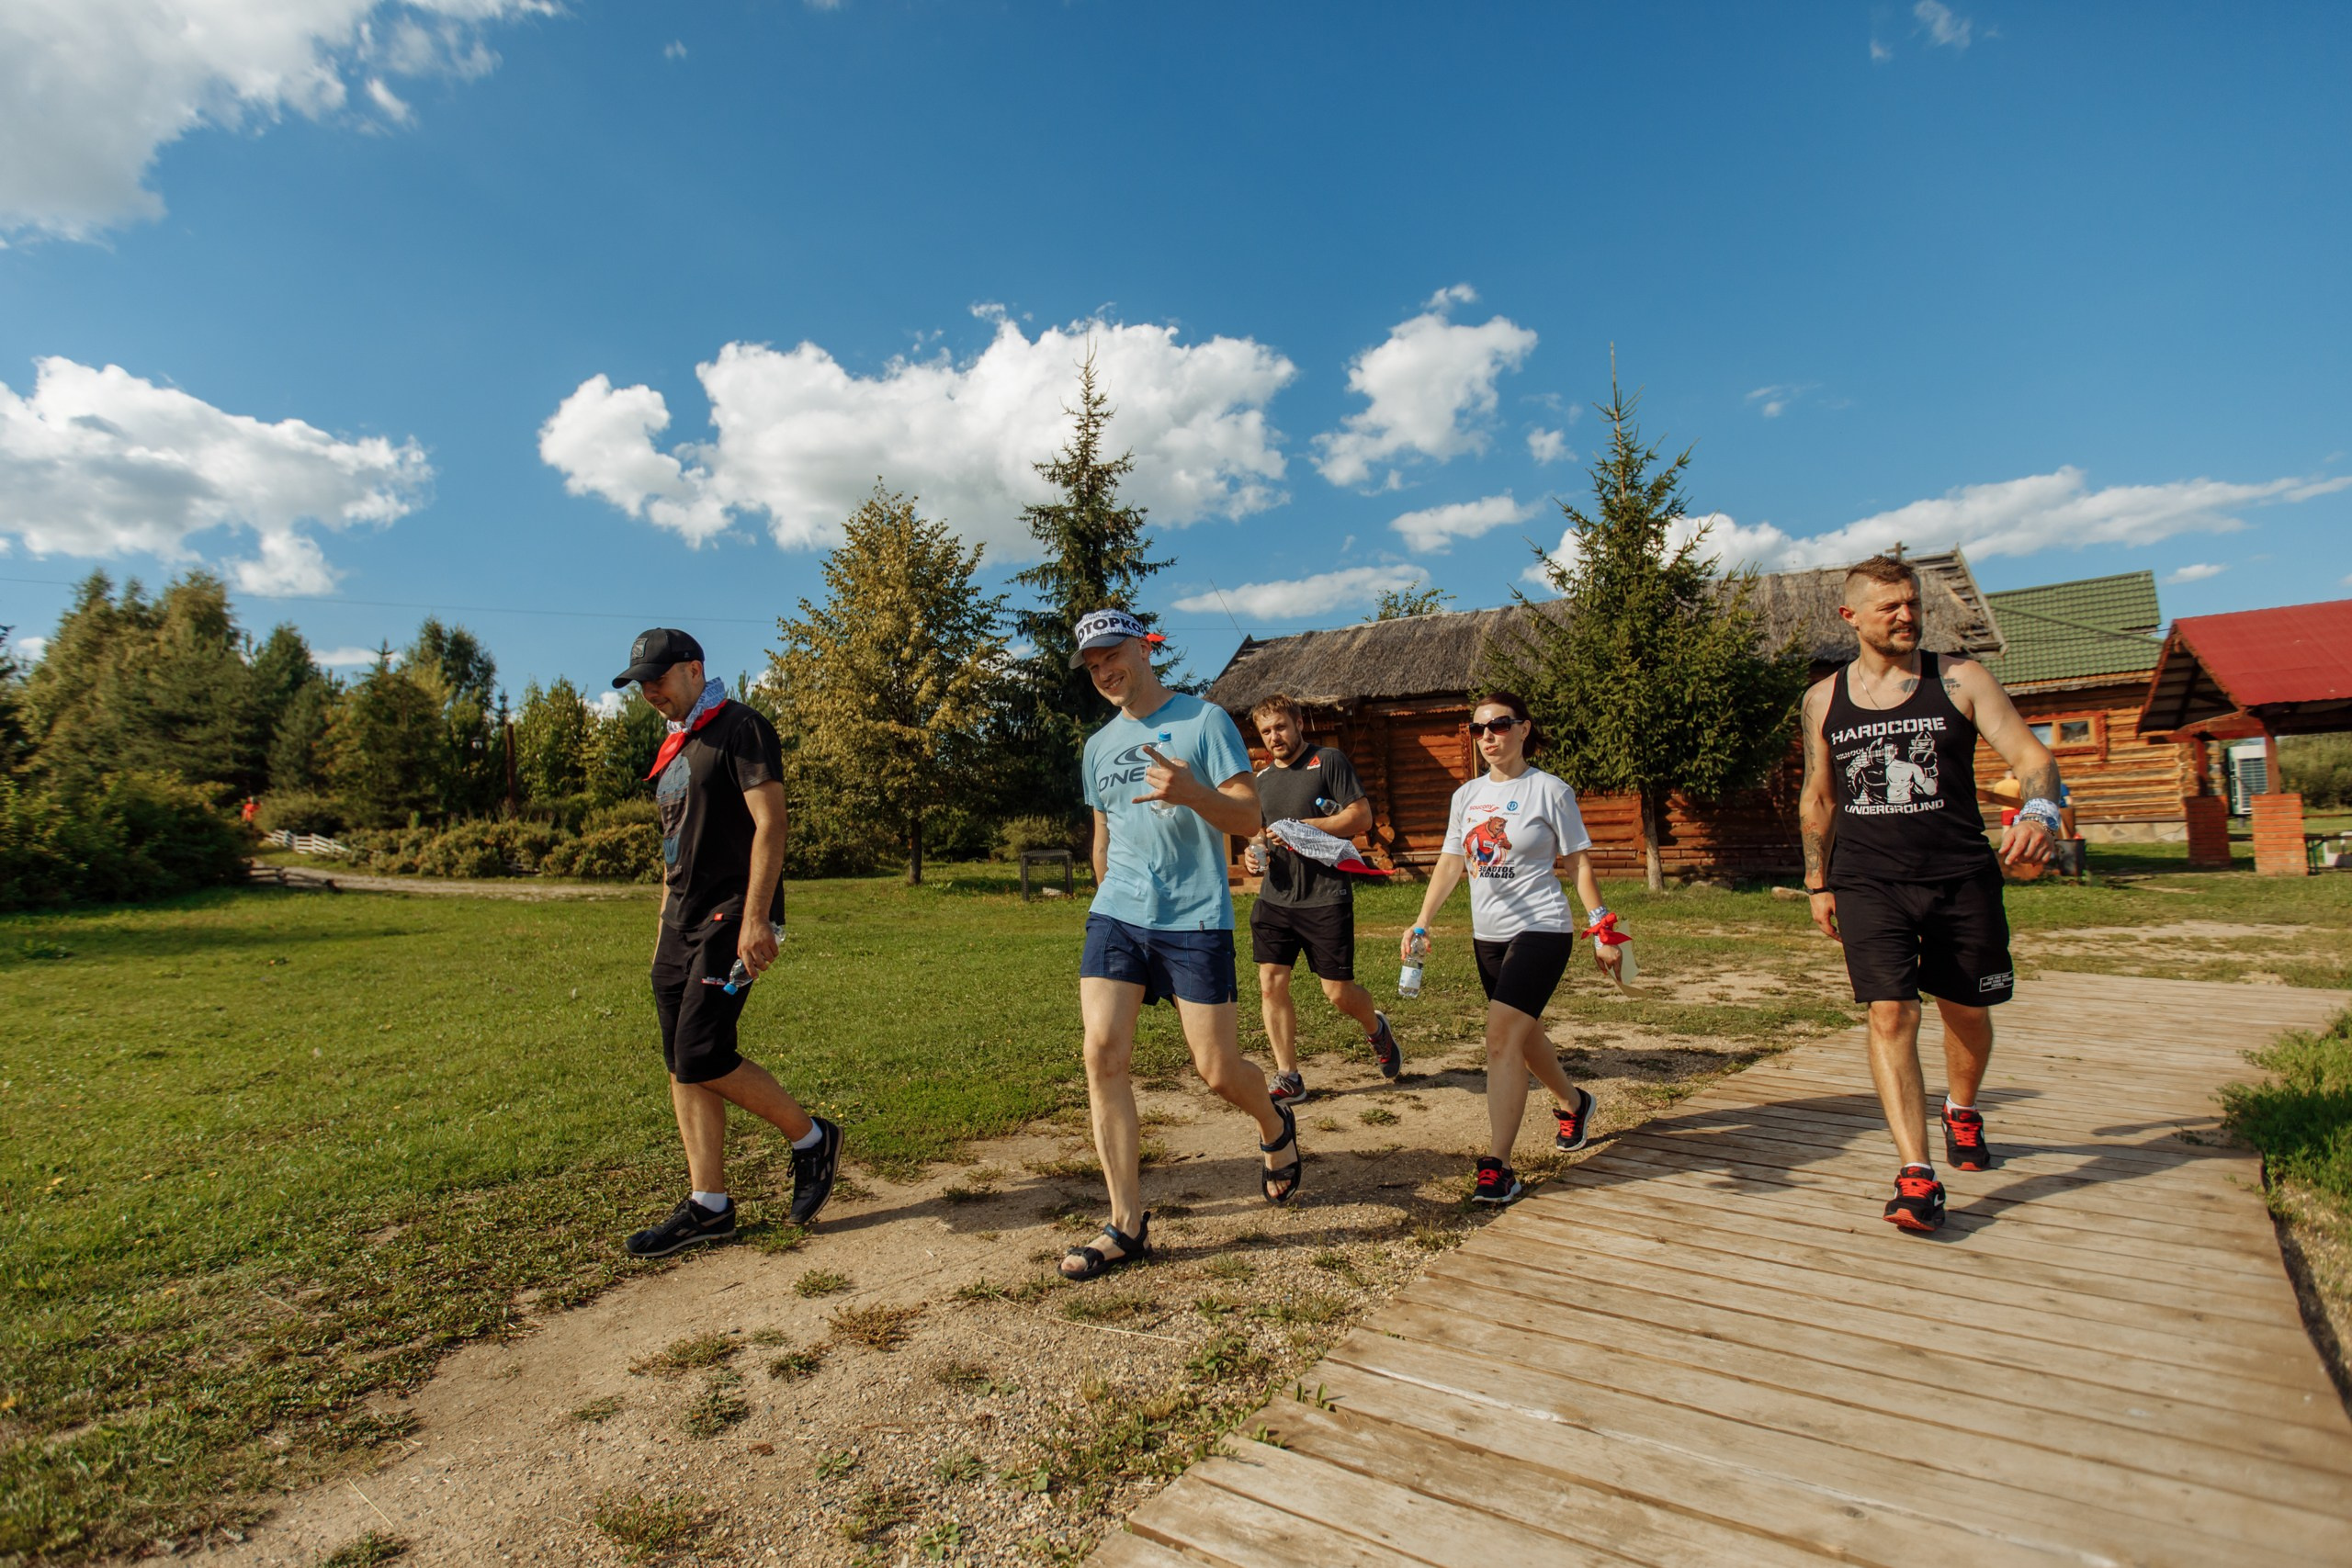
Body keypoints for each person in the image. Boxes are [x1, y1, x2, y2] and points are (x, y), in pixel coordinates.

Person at [1799, 556, 2060, 1234]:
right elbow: (1820, 795)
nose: (1906, 615)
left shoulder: (1960, 678)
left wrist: (2041, 815)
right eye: (1890, 606)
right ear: (1850, 616)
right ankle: (1916, 1172)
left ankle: (1962, 1109)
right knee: (1891, 1013)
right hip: (1867, 880)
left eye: (1911, 603)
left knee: (1966, 1011)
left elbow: (2033, 759)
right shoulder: (1824, 698)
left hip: (1959, 876)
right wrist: (1817, 879)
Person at [1061, 609, 1303, 1280]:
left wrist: (1192, 791)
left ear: (1143, 646)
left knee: (1218, 1070)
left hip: (1195, 918)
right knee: (1101, 1053)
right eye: (1092, 664)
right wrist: (1108, 900)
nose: (1105, 671)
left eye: (1113, 654)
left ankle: (1275, 1125)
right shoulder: (1098, 746)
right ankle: (1126, 1223)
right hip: (1117, 917)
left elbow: (1249, 816)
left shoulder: (1205, 721)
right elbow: (1103, 838)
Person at [612, 628, 844, 1258]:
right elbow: (673, 846)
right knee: (680, 1061)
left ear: (694, 669)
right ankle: (708, 1205)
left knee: (702, 1050)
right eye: (641, 685)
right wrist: (663, 924)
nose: (651, 692)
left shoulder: (742, 728)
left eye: (659, 679)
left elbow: (771, 823)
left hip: (734, 913)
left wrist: (758, 918)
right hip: (680, 922)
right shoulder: (675, 747)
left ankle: (811, 1137)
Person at [1400, 692, 1622, 1206]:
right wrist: (1422, 920)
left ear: (1524, 729)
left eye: (1499, 725)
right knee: (1523, 1038)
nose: (1488, 737)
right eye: (1478, 729)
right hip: (1488, 936)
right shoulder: (1467, 796)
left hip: (1542, 928)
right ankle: (1574, 1103)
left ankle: (1498, 1167)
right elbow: (1452, 861)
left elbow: (1578, 864)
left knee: (1500, 1038)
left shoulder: (1550, 791)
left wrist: (1603, 929)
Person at [1242, 693, 1402, 1103]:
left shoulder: (1328, 761)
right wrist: (1253, 854)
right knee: (1270, 984)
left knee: (1337, 992)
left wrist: (1306, 826)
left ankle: (1375, 1028)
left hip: (1325, 896)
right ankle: (1288, 1076)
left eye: (1280, 726)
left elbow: (1361, 818)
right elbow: (1258, 834)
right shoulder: (1261, 781)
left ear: (1298, 722)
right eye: (1266, 731)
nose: (1274, 736)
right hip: (1276, 896)